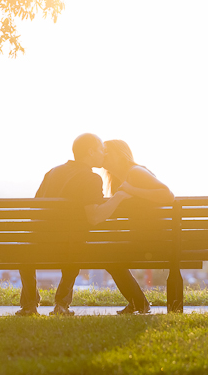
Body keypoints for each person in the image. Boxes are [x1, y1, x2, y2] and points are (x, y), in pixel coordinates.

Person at [16, 133, 132, 316]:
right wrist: (118, 197)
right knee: (75, 243)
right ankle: (61, 304)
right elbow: (93, 217)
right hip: (69, 247)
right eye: (102, 150)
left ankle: (29, 304)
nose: (104, 154)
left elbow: (35, 209)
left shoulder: (53, 172)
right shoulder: (92, 179)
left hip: (37, 243)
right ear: (91, 152)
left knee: (55, 244)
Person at [102, 139, 174, 314]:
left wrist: (131, 190)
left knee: (107, 257)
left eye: (107, 153)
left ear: (119, 155)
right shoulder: (119, 179)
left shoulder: (135, 172)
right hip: (144, 238)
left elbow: (167, 195)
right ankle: (138, 303)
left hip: (153, 241)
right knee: (107, 256)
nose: (103, 156)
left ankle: (139, 303)